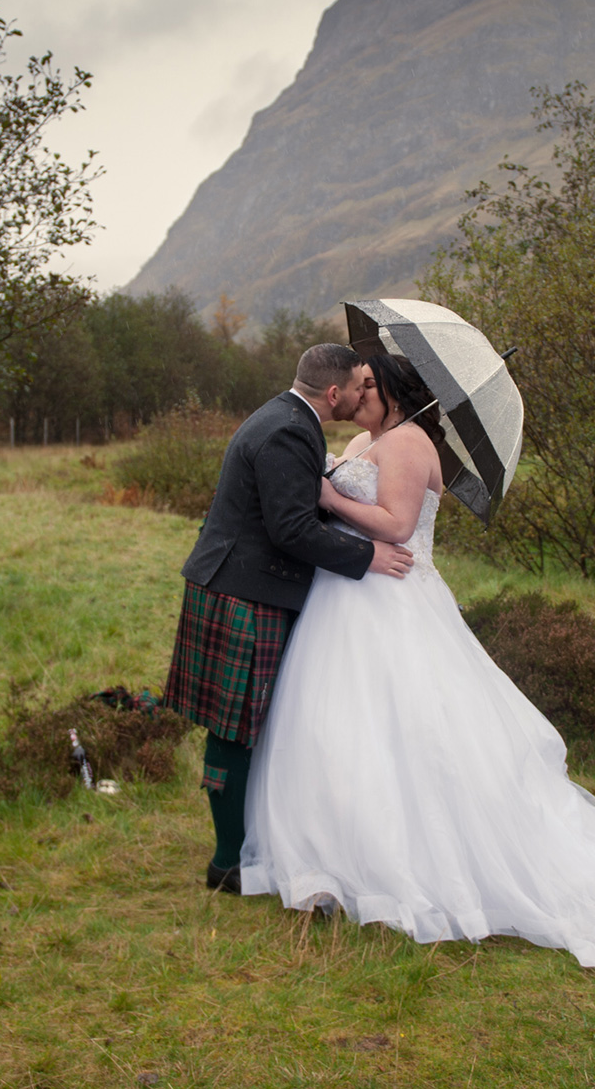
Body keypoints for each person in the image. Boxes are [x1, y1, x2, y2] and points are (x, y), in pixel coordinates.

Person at [237, 352, 595, 971]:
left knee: (411, 729)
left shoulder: (412, 442)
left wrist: (328, 497)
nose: (357, 394)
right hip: (345, 597)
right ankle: (331, 856)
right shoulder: (368, 439)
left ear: (394, 391)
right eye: (358, 384)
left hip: (390, 598)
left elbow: (396, 525)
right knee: (334, 727)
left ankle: (409, 859)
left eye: (369, 385)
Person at [165, 343, 415, 895]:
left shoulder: (286, 418)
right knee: (232, 730)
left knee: (235, 728)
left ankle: (238, 850)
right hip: (243, 592)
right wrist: (365, 556)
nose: (361, 395)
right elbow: (291, 530)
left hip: (237, 583)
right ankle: (228, 862)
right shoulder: (288, 431)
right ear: (334, 393)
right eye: (358, 386)